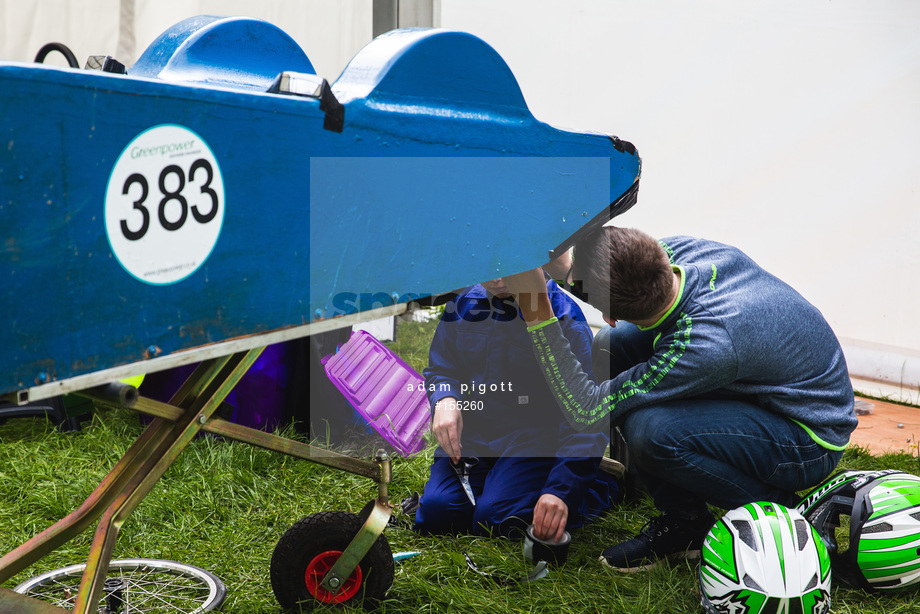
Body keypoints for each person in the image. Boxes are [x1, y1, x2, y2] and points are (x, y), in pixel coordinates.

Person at [502, 227, 856, 571]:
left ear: (609, 314)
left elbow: (586, 410)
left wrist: (535, 306)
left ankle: (789, 515)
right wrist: (564, 267)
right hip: (763, 385)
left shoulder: (707, 344)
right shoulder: (681, 253)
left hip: (806, 437)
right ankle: (680, 513)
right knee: (613, 346)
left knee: (651, 431)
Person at [414, 276, 616, 542]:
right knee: (436, 515)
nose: (498, 279)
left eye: (510, 267)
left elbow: (588, 416)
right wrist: (444, 399)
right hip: (474, 437)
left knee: (496, 520)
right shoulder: (461, 303)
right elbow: (441, 369)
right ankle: (499, 487)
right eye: (490, 266)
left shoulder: (565, 315)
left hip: (534, 439)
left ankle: (595, 486)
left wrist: (561, 492)